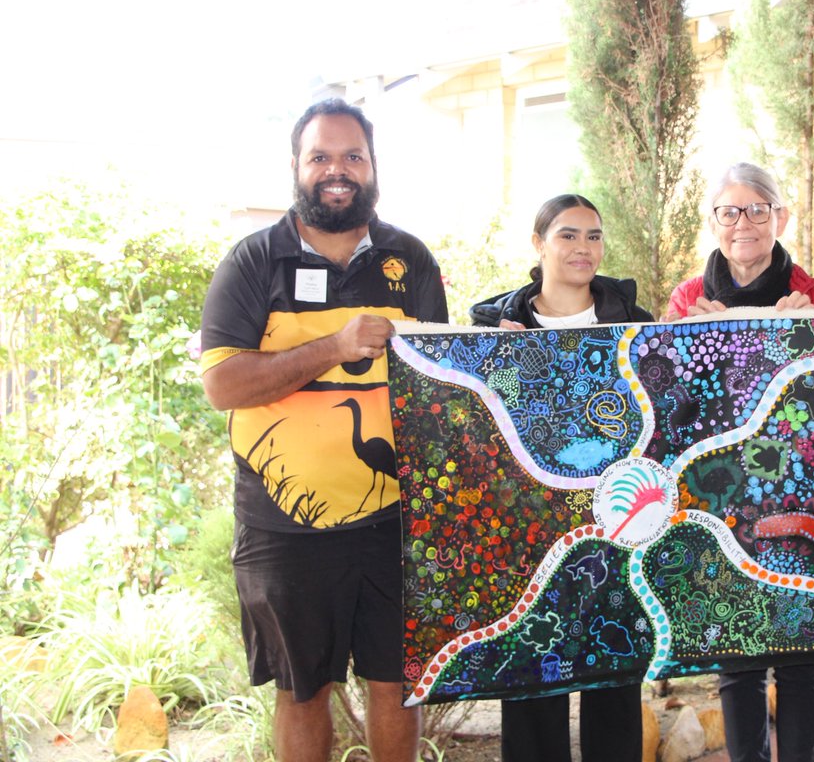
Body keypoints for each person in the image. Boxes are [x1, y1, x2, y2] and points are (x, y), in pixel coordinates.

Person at [200, 98, 448, 762]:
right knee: (303, 691)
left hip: (395, 522)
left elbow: (438, 382)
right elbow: (223, 384)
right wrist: (335, 346)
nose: (337, 170)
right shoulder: (254, 262)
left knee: (397, 687)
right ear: (296, 166)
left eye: (352, 156)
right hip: (285, 529)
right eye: (320, 157)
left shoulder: (410, 260)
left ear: (372, 166)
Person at [470, 193, 651, 762]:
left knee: (613, 682)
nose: (583, 248)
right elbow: (474, 430)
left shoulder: (635, 324)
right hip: (529, 531)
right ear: (538, 243)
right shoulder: (492, 328)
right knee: (531, 682)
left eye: (593, 236)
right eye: (568, 235)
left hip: (612, 526)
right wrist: (497, 363)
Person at [665, 162, 814, 762]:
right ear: (713, 222)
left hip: (797, 490)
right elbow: (673, 405)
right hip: (721, 492)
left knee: (800, 655)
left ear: (779, 218)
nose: (744, 223)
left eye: (758, 210)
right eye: (729, 211)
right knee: (736, 654)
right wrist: (690, 345)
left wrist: (805, 330)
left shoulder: (812, 295)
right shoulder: (688, 299)